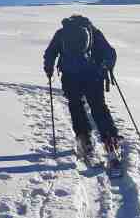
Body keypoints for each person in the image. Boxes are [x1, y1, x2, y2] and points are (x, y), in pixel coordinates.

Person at [43, 14, 121, 163]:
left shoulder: (61, 33)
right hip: (93, 75)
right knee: (98, 106)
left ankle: (84, 140)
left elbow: (50, 53)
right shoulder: (93, 31)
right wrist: (107, 66)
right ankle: (111, 141)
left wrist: (49, 68)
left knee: (76, 106)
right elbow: (110, 52)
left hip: (70, 77)